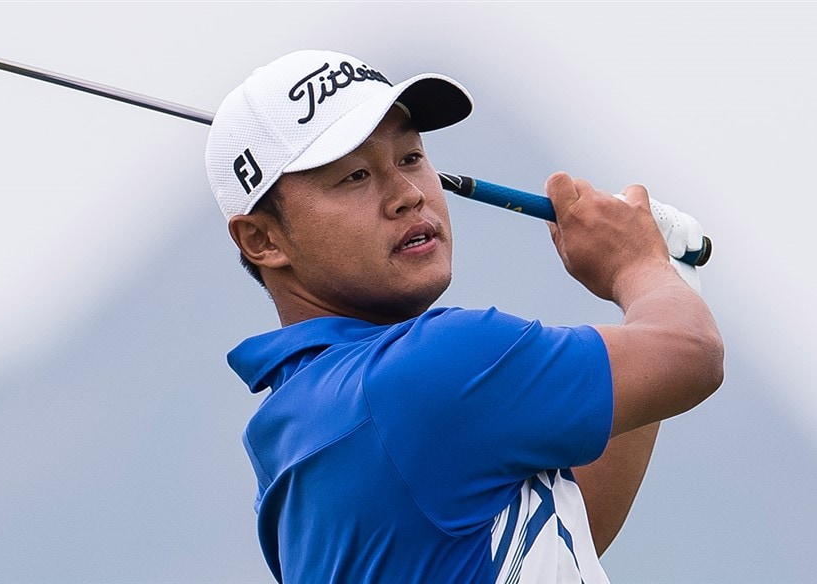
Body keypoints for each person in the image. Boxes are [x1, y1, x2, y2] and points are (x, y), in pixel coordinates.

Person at [205, 50, 723, 583]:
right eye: (356, 176)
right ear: (262, 240)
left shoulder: (297, 426)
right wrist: (638, 265)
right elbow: (692, 355)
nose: (407, 195)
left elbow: (556, 531)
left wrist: (662, 280)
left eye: (409, 158)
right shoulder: (434, 365)